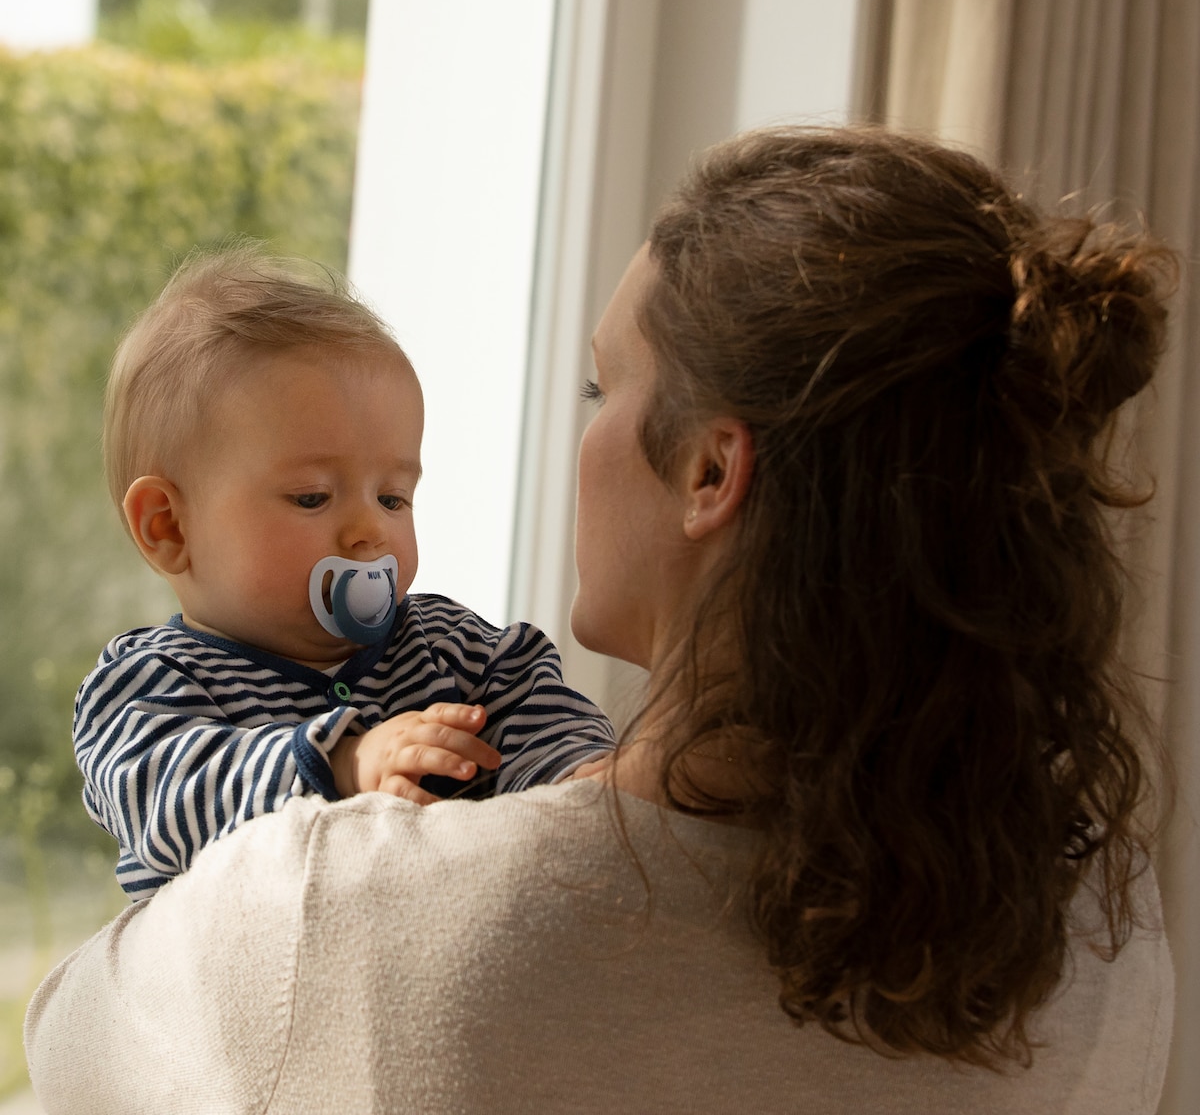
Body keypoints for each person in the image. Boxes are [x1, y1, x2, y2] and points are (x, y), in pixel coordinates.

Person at [27, 127, 1174, 1113]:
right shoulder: (1100, 929)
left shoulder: (350, 916)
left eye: (600, 389)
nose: (370, 530)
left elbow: (67, 1044)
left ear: (711, 472)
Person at [73, 244, 615, 897]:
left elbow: (536, 708)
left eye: (393, 497)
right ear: (169, 526)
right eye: (312, 497)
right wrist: (339, 762)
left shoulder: (454, 651)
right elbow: (167, 804)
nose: (370, 531)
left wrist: (579, 773)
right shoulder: (147, 685)